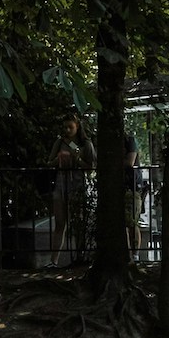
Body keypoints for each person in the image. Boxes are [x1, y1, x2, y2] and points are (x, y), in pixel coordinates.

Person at [49, 113, 94, 266]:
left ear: (78, 127)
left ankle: (79, 258)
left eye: (71, 127)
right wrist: (59, 159)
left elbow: (91, 167)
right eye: (65, 127)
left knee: (78, 221)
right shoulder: (60, 142)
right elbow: (49, 162)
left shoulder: (85, 143)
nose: (67, 130)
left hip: (77, 183)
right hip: (61, 183)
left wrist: (78, 160)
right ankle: (53, 261)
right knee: (60, 222)